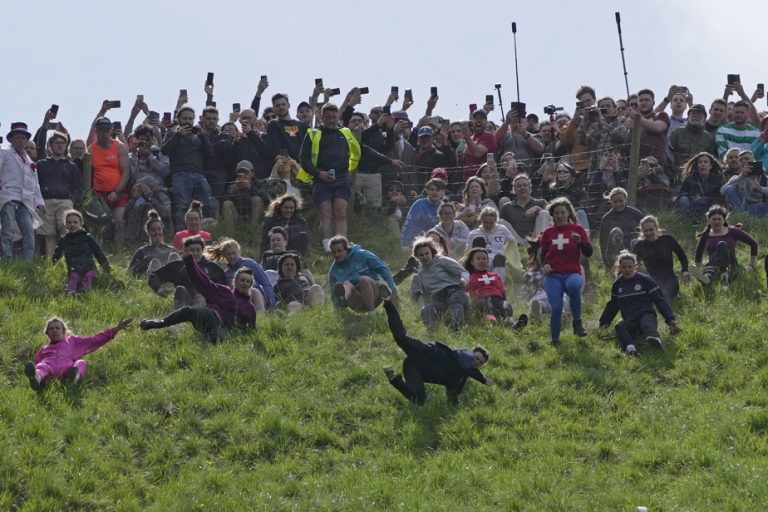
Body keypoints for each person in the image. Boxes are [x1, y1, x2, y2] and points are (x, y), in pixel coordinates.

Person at [299, 103, 404, 254]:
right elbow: (304, 159)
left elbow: (364, 150)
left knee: (341, 211)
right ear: (322, 117)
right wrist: (318, 173)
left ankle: (342, 246)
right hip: (321, 179)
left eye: (334, 117)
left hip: (341, 178)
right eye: (328, 117)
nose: (331, 120)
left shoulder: (346, 133)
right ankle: (328, 247)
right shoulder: (313, 134)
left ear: (338, 117)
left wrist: (389, 161)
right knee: (326, 212)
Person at [381, 300, 492, 406]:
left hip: (415, 368)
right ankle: (388, 303)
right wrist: (483, 380)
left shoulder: (460, 378)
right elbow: (470, 368)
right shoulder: (465, 356)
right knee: (401, 338)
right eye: (477, 357)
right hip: (425, 353)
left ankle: (393, 378)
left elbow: (452, 396)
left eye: (480, 362)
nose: (477, 361)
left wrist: (454, 408)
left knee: (419, 400)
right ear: (472, 353)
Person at [141, 253, 256, 342]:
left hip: (223, 328)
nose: (244, 283)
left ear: (250, 285)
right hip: (208, 315)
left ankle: (214, 337)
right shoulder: (225, 291)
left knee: (218, 336)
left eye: (247, 281)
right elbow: (203, 281)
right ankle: (159, 323)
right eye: (242, 280)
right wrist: (189, 262)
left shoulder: (250, 308)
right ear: (235, 282)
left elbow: (250, 330)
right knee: (188, 310)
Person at [598, 251, 681, 356]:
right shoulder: (617, 285)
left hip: (647, 316)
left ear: (635, 266)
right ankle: (630, 348)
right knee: (619, 326)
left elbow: (659, 300)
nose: (627, 269)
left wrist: (670, 319)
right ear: (619, 268)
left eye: (630, 267)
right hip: (630, 320)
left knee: (646, 322)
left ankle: (655, 339)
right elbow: (613, 305)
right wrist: (603, 323)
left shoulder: (645, 280)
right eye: (624, 267)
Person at [24, 317, 133, 390]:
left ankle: (73, 379)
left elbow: (94, 340)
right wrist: (36, 371)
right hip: (49, 370)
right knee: (41, 366)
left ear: (64, 331)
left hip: (65, 371)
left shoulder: (72, 341)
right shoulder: (43, 349)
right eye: (51, 329)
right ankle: (37, 379)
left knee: (81, 362)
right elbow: (37, 363)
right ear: (47, 333)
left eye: (57, 328)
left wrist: (116, 329)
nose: (54, 330)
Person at [539, 197, 592, 345]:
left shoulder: (578, 230)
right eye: (557, 213)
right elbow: (542, 255)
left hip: (572, 272)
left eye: (563, 212)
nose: (560, 215)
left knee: (574, 286)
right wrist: (545, 264)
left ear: (568, 213)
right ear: (553, 215)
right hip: (553, 275)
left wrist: (580, 242)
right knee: (556, 307)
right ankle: (555, 340)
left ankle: (577, 323)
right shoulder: (548, 233)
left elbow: (588, 252)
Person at [161, 105, 215, 228]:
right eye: (185, 118)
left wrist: (202, 136)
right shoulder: (172, 133)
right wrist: (178, 135)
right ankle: (181, 233)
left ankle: (208, 232)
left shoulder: (198, 134)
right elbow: (164, 150)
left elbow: (210, 153)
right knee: (182, 205)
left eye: (190, 119)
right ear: (178, 119)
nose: (188, 121)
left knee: (207, 202)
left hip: (198, 173)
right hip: (180, 173)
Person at [0, 122, 46, 259]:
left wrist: (40, 202)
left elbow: (35, 184)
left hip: (25, 200)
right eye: (17, 137)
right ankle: (6, 258)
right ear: (11, 140)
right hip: (8, 196)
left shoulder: (30, 161)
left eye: (23, 138)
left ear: (26, 141)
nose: (20, 140)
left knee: (29, 230)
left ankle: (28, 261)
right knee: (8, 230)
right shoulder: (4, 154)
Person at [36, 131, 83, 257]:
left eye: (63, 143)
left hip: (65, 201)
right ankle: (51, 261)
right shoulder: (41, 164)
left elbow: (78, 186)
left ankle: (67, 259)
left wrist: (73, 200)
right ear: (50, 145)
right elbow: (35, 185)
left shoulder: (71, 166)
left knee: (66, 231)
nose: (60, 145)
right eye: (57, 143)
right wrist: (38, 201)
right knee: (49, 234)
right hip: (46, 202)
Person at [148, 235, 227, 308]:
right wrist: (158, 288)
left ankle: (195, 314)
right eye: (192, 250)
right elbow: (153, 275)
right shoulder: (177, 266)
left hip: (206, 302)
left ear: (202, 251)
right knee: (180, 289)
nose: (195, 253)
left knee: (200, 296)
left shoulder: (212, 267)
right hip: (185, 299)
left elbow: (225, 288)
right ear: (185, 251)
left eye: (198, 250)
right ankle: (180, 316)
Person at [691, 205, 758, 289]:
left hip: (731, 264)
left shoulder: (733, 231)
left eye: (719, 219)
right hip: (713, 265)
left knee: (721, 245)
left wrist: (752, 265)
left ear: (724, 220)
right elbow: (699, 252)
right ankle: (706, 279)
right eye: (714, 219)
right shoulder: (705, 235)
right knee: (710, 270)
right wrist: (697, 268)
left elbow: (754, 244)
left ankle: (724, 278)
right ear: (709, 220)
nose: (716, 222)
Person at [410, 237, 470, 331]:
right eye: (421, 255)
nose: (425, 257)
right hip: (439, 300)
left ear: (432, 252)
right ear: (417, 257)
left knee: (454, 299)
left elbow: (464, 272)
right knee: (426, 310)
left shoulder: (442, 260)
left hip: (455, 292)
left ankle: (456, 326)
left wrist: (463, 280)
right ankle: (434, 334)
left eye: (427, 253)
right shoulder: (420, 273)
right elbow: (426, 295)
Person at [89, 116, 131, 246]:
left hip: (118, 191)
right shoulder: (91, 150)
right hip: (99, 193)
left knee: (120, 221)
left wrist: (117, 191)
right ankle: (102, 250)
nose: (105, 133)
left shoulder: (120, 147)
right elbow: (88, 174)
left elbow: (126, 172)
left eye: (107, 130)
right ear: (96, 131)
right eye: (101, 130)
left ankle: (120, 250)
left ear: (111, 130)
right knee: (101, 224)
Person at [328, 235, 398, 314]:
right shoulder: (333, 270)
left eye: (339, 251)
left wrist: (393, 290)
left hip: (374, 294)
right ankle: (350, 308)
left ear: (346, 249)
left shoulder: (362, 255)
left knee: (363, 279)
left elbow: (383, 269)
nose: (336, 255)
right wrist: (337, 309)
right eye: (333, 252)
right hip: (356, 300)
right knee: (345, 284)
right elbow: (333, 292)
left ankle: (372, 314)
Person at [464, 247, 527, 328]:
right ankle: (493, 322)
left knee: (505, 307)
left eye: (484, 259)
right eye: (478, 259)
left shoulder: (495, 276)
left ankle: (514, 325)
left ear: (487, 261)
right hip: (481, 300)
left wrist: (505, 302)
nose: (482, 261)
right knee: (487, 307)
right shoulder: (470, 277)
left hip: (498, 299)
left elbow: (502, 290)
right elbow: (465, 290)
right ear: (472, 262)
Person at [207, 238, 275, 312]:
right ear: (224, 256)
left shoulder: (249, 263)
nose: (232, 256)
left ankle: (261, 319)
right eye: (228, 254)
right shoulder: (227, 274)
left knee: (254, 291)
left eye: (234, 253)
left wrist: (271, 305)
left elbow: (265, 283)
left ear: (239, 252)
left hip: (256, 297)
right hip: (238, 300)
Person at [52, 210, 111, 294]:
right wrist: (52, 265)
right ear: (65, 225)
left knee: (88, 277)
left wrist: (106, 267)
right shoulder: (63, 240)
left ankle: (85, 292)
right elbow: (56, 254)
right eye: (69, 222)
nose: (72, 224)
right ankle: (71, 293)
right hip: (74, 270)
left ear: (80, 224)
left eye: (75, 222)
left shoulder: (87, 237)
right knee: (73, 278)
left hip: (90, 269)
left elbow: (98, 253)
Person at [631, 215, 689, 299]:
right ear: (642, 231)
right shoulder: (640, 246)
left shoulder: (668, 240)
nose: (648, 233)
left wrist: (684, 271)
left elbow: (682, 257)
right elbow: (632, 264)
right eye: (645, 231)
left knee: (663, 295)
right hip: (652, 280)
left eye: (651, 230)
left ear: (656, 228)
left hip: (670, 279)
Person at [468, 206, 526, 279]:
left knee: (499, 259)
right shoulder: (473, 234)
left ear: (496, 220)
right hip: (481, 261)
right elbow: (468, 252)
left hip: (498, 262)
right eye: (486, 222)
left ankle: (498, 285)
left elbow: (512, 243)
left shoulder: (502, 229)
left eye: (491, 223)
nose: (488, 225)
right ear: (481, 220)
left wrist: (515, 263)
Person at [599, 187, 644, 268]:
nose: (618, 204)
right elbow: (603, 243)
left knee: (636, 240)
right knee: (616, 232)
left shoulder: (636, 214)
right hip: (615, 254)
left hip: (632, 250)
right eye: (615, 202)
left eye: (621, 201)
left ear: (626, 199)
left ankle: (638, 264)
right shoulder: (606, 218)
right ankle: (618, 266)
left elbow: (643, 235)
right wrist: (606, 262)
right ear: (610, 201)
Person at [127, 210, 178, 276]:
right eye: (153, 230)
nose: (157, 232)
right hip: (151, 281)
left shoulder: (171, 249)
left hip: (170, 280)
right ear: (148, 231)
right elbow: (130, 272)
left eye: (159, 229)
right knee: (155, 263)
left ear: (162, 230)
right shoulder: (142, 251)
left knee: (174, 256)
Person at [675, 152, 724, 219]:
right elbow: (681, 194)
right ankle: (686, 221)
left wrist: (706, 199)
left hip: (711, 208)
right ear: (697, 166)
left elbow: (720, 199)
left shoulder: (718, 180)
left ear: (711, 166)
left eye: (706, 162)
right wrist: (691, 196)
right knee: (683, 199)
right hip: (692, 206)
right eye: (700, 162)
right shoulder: (690, 179)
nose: (703, 164)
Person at [400, 177, 445, 248]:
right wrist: (405, 244)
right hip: (419, 243)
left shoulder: (444, 207)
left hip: (438, 244)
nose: (434, 192)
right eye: (432, 189)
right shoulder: (419, 204)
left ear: (442, 192)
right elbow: (409, 225)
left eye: (438, 190)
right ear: (427, 190)